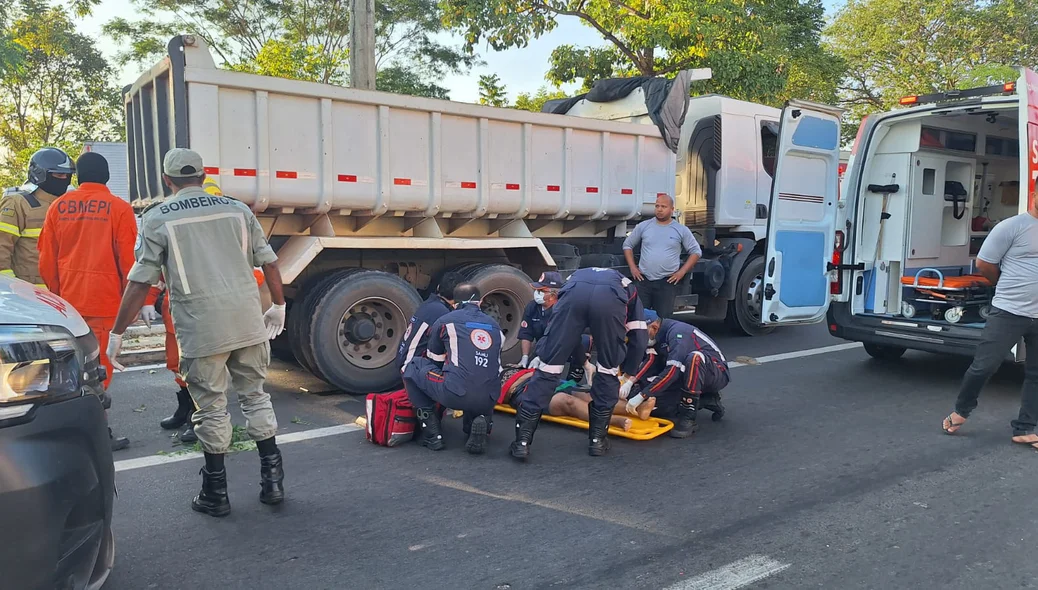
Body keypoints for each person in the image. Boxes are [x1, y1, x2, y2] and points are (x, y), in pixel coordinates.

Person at [106, 148, 288, 517]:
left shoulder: (157, 218)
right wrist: (278, 305)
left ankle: (215, 494)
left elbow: (140, 281)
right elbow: (268, 261)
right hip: (247, 321)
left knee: (211, 408)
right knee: (255, 397)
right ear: (203, 176)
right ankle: (273, 483)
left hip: (202, 328)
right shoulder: (237, 210)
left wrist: (117, 332)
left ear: (167, 180)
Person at [37, 151, 135, 451]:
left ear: (77, 177)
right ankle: (97, 436)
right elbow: (130, 262)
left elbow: (46, 260)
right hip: (105, 304)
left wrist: (59, 294)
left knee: (68, 369)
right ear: (106, 177)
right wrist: (130, 303)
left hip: (68, 304)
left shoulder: (58, 206)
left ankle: (71, 432)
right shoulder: (119, 208)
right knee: (98, 372)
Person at [143, 175, 244, 445]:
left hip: (203, 313)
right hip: (176, 312)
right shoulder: (176, 228)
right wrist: (148, 298)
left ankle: (199, 417)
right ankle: (185, 408)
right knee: (178, 365)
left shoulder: (226, 236)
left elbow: (248, 274)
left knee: (203, 370)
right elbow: (158, 268)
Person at [510, 267, 648, 460]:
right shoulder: (627, 287)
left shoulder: (574, 279)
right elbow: (639, 337)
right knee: (608, 371)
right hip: (609, 302)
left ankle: (522, 443)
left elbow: (556, 330)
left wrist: (543, 355)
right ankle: (597, 442)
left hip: (575, 296)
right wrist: (629, 374)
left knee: (548, 371)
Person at [943, 195, 1038, 447]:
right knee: (984, 366)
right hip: (1009, 311)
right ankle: (962, 410)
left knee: (1036, 374)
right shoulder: (1012, 227)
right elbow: (985, 264)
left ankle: (1025, 427)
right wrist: (1002, 284)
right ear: (1035, 195)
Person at [402, 282, 504, 455]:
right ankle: (479, 420)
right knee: (480, 375)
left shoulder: (445, 321)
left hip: (455, 392)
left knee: (413, 366)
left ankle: (432, 435)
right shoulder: (495, 327)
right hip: (490, 397)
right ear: (480, 302)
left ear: (454, 303)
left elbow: (435, 360)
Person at [624, 310, 729, 438]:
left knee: (694, 358)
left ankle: (688, 417)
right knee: (658, 405)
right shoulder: (656, 337)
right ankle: (705, 400)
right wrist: (632, 383)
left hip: (716, 371)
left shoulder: (678, 333)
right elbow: (651, 365)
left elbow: (672, 372)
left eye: (640, 334)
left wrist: (642, 395)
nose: (639, 338)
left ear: (654, 327)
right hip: (685, 373)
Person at [1, 147, 75, 287]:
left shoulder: (71, 207)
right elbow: (1, 249)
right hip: (28, 298)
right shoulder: (17, 203)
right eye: (59, 175)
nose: (65, 179)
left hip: (64, 296)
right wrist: (11, 289)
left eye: (68, 175)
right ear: (40, 174)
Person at [622, 193, 701, 319]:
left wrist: (681, 272)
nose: (659, 209)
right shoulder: (644, 226)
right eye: (657, 206)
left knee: (663, 320)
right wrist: (633, 268)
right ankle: (642, 339)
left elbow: (696, 252)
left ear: (672, 209)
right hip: (644, 281)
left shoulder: (680, 230)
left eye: (663, 206)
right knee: (640, 318)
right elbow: (627, 245)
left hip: (667, 283)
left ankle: (661, 339)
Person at [518, 271, 594, 384]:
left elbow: (560, 337)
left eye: (541, 291)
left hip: (566, 346)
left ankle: (581, 371)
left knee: (583, 341)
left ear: (553, 295)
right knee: (530, 373)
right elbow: (526, 332)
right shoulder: (532, 307)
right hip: (543, 346)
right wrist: (525, 357)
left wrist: (541, 357)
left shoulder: (563, 309)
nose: (537, 293)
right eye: (537, 290)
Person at [397, 271, 464, 374]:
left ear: (438, 287)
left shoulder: (430, 304)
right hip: (412, 370)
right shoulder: (442, 313)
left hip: (406, 363)